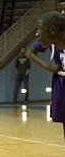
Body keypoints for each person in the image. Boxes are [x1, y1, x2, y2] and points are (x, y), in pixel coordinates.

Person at [26, 11, 65, 139]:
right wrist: (49, 66)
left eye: (39, 29)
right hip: (61, 80)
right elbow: (30, 53)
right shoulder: (52, 40)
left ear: (52, 29)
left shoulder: (55, 33)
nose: (36, 33)